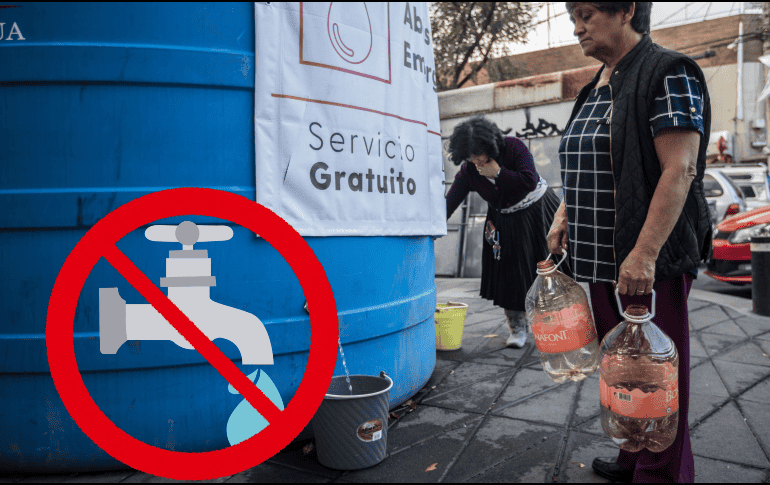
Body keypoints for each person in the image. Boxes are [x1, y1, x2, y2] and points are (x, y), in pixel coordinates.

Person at [547, 2, 711, 483]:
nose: (576, 27)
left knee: (656, 375)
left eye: (585, 14)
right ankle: (633, 454)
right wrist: (564, 211)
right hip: (597, 261)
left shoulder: (669, 72)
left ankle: (661, 473)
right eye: (573, 16)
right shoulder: (596, 84)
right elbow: (588, 160)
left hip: (644, 264)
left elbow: (679, 169)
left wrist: (643, 254)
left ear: (625, 11)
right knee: (620, 368)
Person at [445, 116, 565, 348]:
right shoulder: (469, 170)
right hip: (504, 220)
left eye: (479, 152)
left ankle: (554, 324)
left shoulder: (513, 147)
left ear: (491, 144)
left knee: (547, 269)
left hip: (537, 212)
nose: (476, 159)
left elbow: (528, 180)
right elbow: (450, 201)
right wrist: (433, 226)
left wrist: (498, 173)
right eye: (470, 155)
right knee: (509, 275)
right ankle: (517, 327)